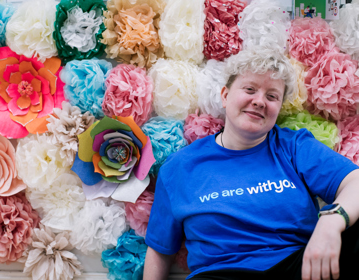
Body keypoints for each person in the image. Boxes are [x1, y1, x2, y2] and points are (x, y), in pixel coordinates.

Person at [143, 48, 359, 280]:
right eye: (250, 89)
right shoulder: (180, 167)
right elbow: (159, 250)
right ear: (225, 96)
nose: (259, 101)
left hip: (297, 267)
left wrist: (332, 221)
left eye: (272, 96)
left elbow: (355, 181)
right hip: (220, 273)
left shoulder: (295, 147)